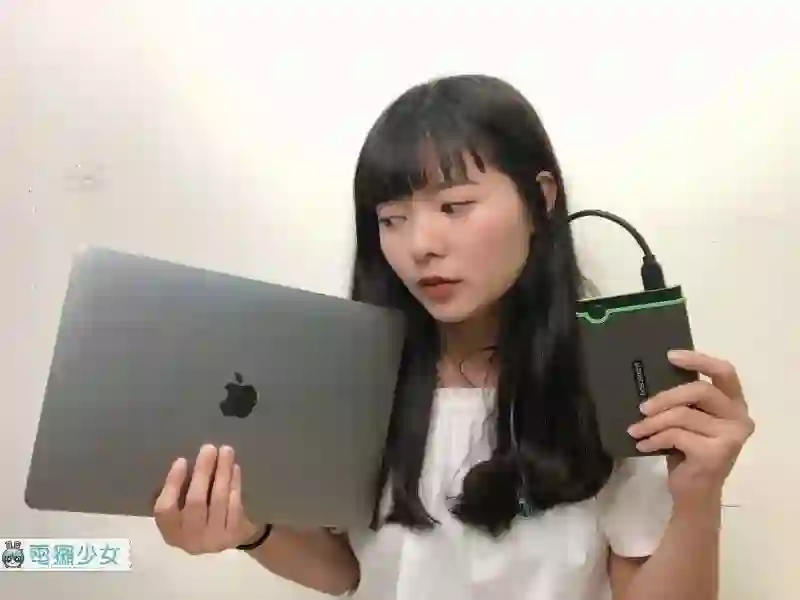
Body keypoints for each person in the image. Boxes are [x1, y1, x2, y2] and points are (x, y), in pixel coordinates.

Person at [152, 74, 755, 599]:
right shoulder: (355, 376)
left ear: (541, 200)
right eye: (392, 219)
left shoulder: (608, 377)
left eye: (455, 206)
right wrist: (250, 531)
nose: (420, 245)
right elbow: (346, 573)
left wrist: (699, 496)